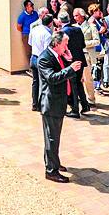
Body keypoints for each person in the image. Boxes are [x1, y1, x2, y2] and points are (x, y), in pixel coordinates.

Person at [37, 31, 81, 183]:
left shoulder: (59, 56)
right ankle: (51, 171)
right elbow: (52, 78)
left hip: (58, 102)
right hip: (50, 104)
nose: (67, 47)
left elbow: (67, 75)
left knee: (54, 137)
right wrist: (70, 68)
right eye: (65, 44)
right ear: (56, 44)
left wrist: (68, 61)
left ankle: (53, 162)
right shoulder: (44, 58)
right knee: (51, 138)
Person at [60, 11, 89, 117]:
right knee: (78, 83)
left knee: (73, 85)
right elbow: (83, 45)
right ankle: (85, 105)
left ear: (60, 20)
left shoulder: (63, 32)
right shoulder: (78, 29)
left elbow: (62, 49)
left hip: (70, 62)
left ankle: (75, 109)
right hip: (80, 59)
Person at [28, 14, 54, 111]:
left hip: (33, 57)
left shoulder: (34, 29)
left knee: (35, 82)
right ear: (50, 23)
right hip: (41, 59)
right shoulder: (47, 34)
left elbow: (29, 42)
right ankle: (43, 105)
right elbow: (47, 51)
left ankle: (35, 104)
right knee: (43, 83)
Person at [73, 7, 97, 107]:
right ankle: (80, 97)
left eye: (76, 15)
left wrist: (83, 44)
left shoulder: (91, 26)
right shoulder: (73, 27)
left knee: (88, 78)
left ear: (82, 15)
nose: (75, 18)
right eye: (74, 16)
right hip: (76, 56)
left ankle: (91, 99)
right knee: (77, 78)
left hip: (87, 55)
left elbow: (96, 40)